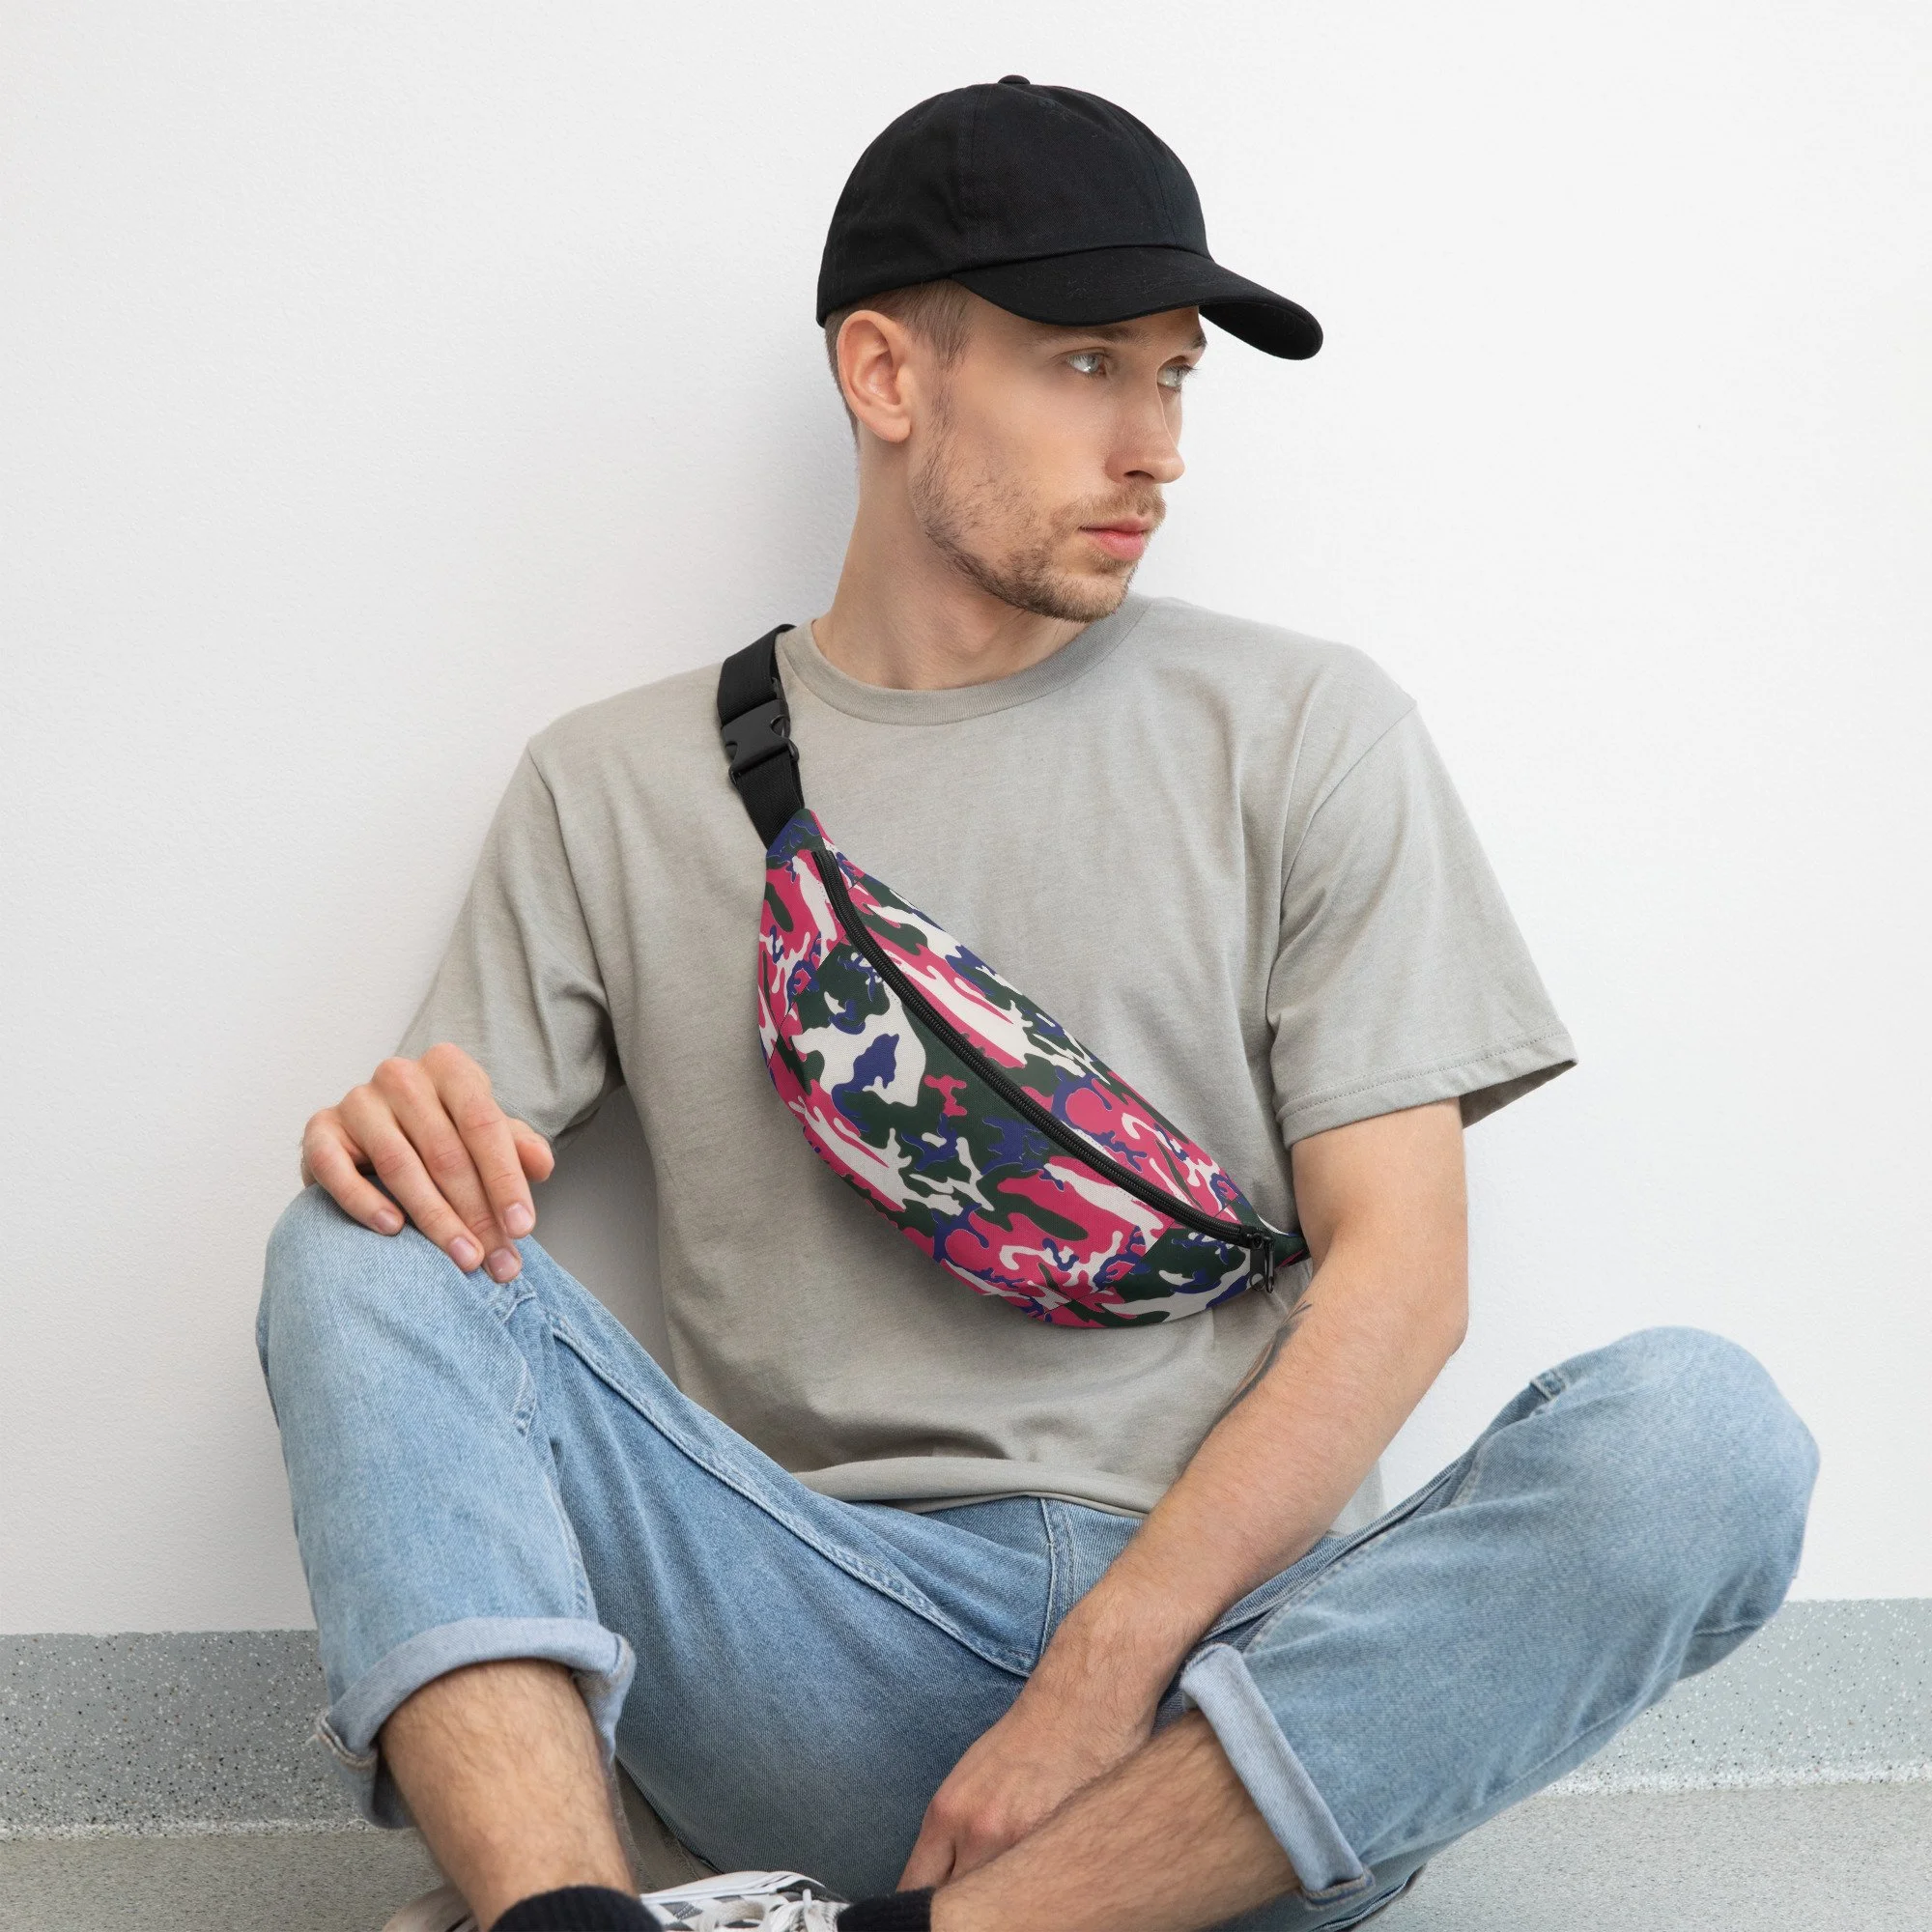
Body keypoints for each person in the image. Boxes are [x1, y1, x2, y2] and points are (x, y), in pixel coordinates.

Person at [258, 78, 1818, 1932]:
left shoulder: (1305, 731)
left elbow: (1404, 1277)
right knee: (353, 1248)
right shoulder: (614, 782)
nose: (1156, 449)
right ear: (885, 374)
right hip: (820, 1640)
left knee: (1703, 1438)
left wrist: (1099, 1677)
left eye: (1176, 378)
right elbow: (451, 1237)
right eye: (1089, 366)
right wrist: (395, 1147)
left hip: (1232, 1720)